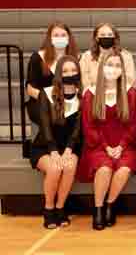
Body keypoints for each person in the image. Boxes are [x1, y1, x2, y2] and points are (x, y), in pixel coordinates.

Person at [78, 50, 136, 230]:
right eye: (109, 65)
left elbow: (134, 124)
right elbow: (89, 127)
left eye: (117, 65)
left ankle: (110, 205)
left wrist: (121, 146)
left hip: (124, 144)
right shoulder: (90, 93)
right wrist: (106, 147)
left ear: (122, 69)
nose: (113, 69)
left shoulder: (130, 93)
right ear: (101, 67)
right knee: (104, 169)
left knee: (124, 169)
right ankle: (98, 208)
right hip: (97, 145)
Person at [30, 55, 82, 229]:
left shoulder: (82, 97)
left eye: (73, 70)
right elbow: (45, 125)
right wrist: (53, 150)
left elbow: (78, 129)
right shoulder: (47, 93)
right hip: (45, 146)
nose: (70, 73)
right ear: (59, 73)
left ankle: (60, 208)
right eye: (66, 70)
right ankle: (49, 209)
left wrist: (68, 149)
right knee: (55, 167)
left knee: (69, 165)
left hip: (69, 147)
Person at [26, 21, 80, 125]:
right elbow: (30, 89)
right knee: (51, 115)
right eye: (56, 35)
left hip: (69, 101)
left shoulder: (76, 58)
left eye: (63, 35)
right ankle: (48, 141)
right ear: (50, 39)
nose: (60, 38)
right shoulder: (38, 57)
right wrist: (50, 101)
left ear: (69, 38)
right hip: (42, 102)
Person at [80, 22, 136, 89]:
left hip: (119, 95)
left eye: (110, 35)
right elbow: (84, 82)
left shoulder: (126, 56)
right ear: (96, 38)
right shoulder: (86, 57)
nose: (106, 37)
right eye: (102, 35)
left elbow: (131, 80)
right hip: (94, 96)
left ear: (115, 37)